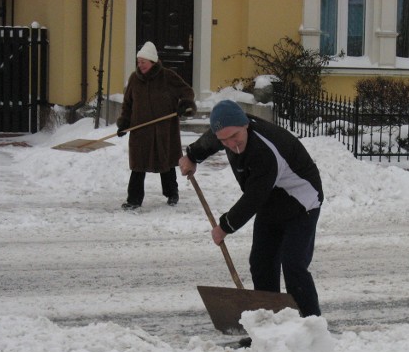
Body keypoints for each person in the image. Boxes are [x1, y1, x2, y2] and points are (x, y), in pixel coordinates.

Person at [179, 100, 323, 319]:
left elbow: (254, 197)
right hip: (271, 201)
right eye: (224, 140)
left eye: (234, 136)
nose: (231, 143)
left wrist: (225, 226)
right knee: (261, 263)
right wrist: (192, 156)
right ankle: (268, 321)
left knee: (293, 264)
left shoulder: (265, 150)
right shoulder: (229, 132)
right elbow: (211, 140)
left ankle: (310, 323)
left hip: (301, 203)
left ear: (245, 125)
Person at [117, 41, 196, 210]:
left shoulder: (168, 76)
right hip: (141, 130)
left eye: (143, 62)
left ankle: (172, 194)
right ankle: (134, 200)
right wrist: (124, 122)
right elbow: (127, 104)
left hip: (164, 129)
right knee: (138, 166)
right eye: (139, 62)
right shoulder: (134, 79)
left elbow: (187, 91)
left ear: (152, 62)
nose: (140, 65)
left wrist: (186, 104)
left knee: (166, 162)